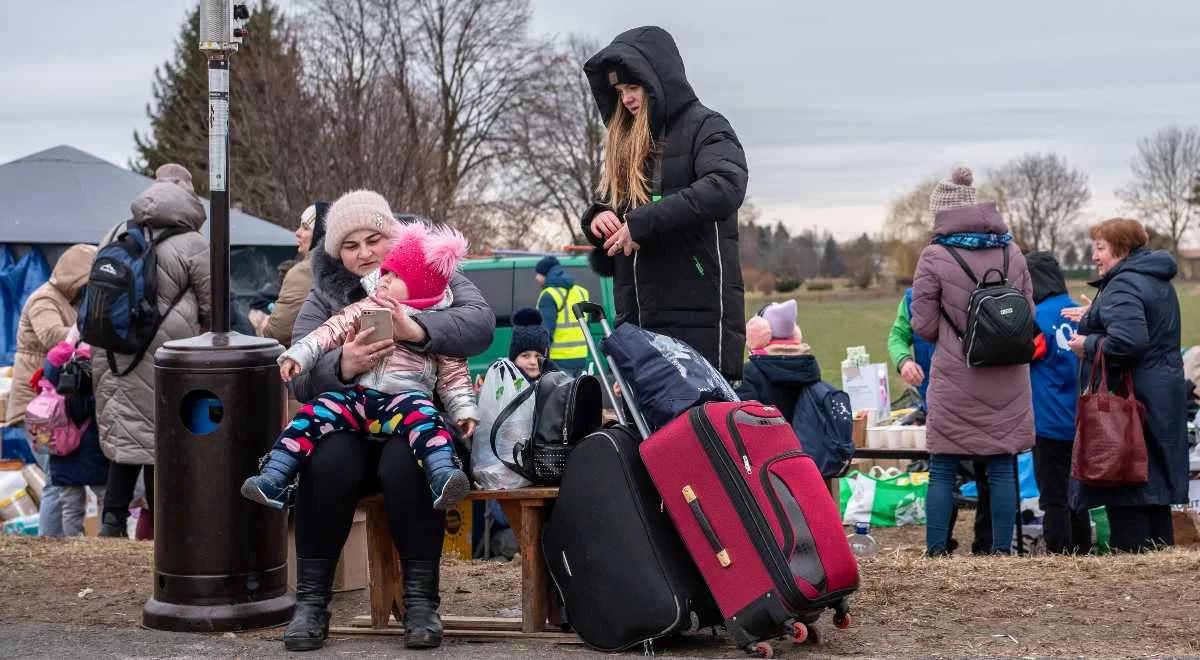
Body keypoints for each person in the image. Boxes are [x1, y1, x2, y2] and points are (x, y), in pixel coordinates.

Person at [282, 190, 494, 652]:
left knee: (405, 465)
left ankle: (421, 605)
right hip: (351, 420)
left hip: (421, 420)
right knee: (328, 460)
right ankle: (311, 604)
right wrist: (343, 365)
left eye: (373, 240)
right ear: (336, 252)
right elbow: (299, 377)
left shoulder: (428, 270)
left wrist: (417, 332)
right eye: (350, 246)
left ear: (392, 236)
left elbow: (480, 324)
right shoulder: (326, 294)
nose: (363, 254)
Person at [242, 221, 477, 512]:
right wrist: (299, 356)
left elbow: (454, 374)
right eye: (386, 272)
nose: (384, 279)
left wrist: (464, 409)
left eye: (396, 275)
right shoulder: (365, 306)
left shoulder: (437, 319)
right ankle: (275, 476)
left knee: (427, 421)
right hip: (356, 398)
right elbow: (328, 331)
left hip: (404, 400)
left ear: (419, 285)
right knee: (312, 414)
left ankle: (443, 476)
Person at [581, 26, 748, 380]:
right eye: (620, 90)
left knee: (700, 431)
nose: (626, 99)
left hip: (698, 321)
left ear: (658, 80)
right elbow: (623, 211)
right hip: (638, 320)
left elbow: (725, 186)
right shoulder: (627, 144)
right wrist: (601, 220)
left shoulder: (706, 126)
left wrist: (642, 224)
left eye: (633, 87)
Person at [911, 166, 1034, 556]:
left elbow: (923, 325)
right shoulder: (1011, 251)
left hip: (956, 374)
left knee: (944, 466)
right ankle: (1000, 552)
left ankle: (936, 551)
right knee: (1001, 465)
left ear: (942, 213)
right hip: (1009, 378)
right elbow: (1026, 312)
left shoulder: (934, 256)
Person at [93, 163, 211, 538]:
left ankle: (112, 521)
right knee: (163, 435)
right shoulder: (194, 243)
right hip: (168, 351)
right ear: (189, 197)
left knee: (126, 434)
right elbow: (214, 305)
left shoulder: (116, 231)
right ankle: (163, 526)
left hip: (113, 349)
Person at [1064, 218, 1188, 553]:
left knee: (1129, 481)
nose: (1094, 257)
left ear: (1122, 249)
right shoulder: (1152, 279)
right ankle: (1159, 563)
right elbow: (1141, 323)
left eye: (1100, 248)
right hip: (1160, 394)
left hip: (1134, 402)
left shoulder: (1123, 285)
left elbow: (1129, 342)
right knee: (1154, 489)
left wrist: (1085, 345)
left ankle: (1135, 563)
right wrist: (1097, 314)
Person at [888, 285, 994, 554]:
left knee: (987, 474)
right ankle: (941, 544)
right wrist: (903, 361)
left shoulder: (979, 288)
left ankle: (986, 546)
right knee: (944, 473)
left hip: (981, 399)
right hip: (938, 401)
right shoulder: (914, 297)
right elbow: (897, 336)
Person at [6, 244, 97, 537]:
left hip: (53, 407)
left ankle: (54, 542)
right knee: (56, 480)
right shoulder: (44, 299)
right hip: (38, 407)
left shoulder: (67, 301)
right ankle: (50, 542)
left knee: (58, 480)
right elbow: (50, 336)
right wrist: (87, 332)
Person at [1023, 252, 1090, 554]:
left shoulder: (1035, 318)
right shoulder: (1081, 313)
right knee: (1079, 495)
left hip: (1048, 424)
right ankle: (1084, 553)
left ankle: (1060, 557)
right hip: (1083, 424)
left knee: (1053, 499)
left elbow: (1024, 359)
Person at [38, 339, 109, 536]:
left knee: (70, 507)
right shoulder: (92, 390)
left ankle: (73, 542)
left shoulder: (50, 394)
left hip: (63, 456)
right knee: (106, 499)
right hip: (95, 453)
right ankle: (107, 540)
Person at [256, 202, 328, 347]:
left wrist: (262, 324)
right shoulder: (348, 265)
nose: (298, 232)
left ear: (320, 234)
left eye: (306, 227)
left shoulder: (303, 272)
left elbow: (276, 332)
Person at [533, 256, 590, 376]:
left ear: (546, 274)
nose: (536, 278)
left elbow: (546, 331)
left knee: (562, 394)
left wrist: (540, 357)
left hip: (559, 358)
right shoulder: (581, 291)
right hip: (581, 356)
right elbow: (587, 324)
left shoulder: (549, 295)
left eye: (538, 274)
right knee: (578, 393)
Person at [509, 307, 555, 382]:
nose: (533, 362)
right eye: (525, 356)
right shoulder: (503, 387)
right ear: (514, 359)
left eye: (538, 356)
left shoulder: (557, 386)